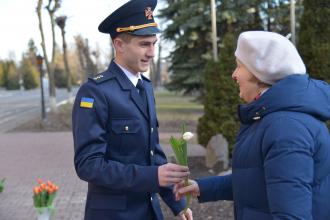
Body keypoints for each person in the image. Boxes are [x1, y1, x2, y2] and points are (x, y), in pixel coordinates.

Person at [174, 31, 330, 219]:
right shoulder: (272, 118)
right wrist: (202, 187)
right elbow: (261, 180)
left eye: (239, 66)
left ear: (260, 72)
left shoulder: (286, 129)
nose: (234, 75)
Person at [72, 0, 192, 219]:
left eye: (154, 43)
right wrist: (152, 176)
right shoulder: (95, 92)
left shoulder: (145, 87)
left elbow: (153, 156)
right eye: (144, 44)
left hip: (149, 212)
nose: (152, 52)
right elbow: (88, 165)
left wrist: (178, 204)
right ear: (119, 44)